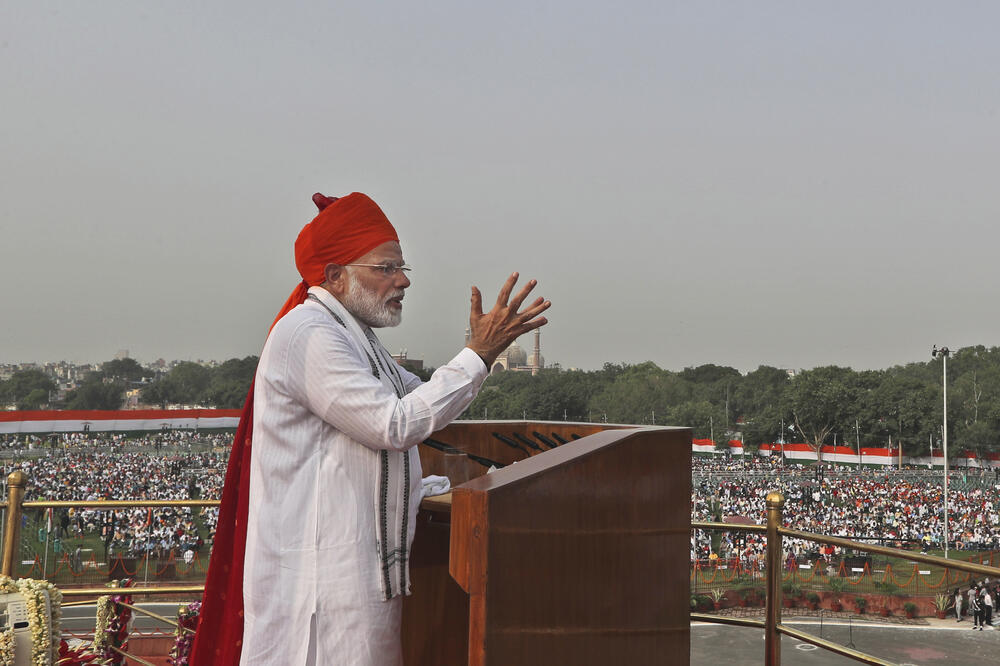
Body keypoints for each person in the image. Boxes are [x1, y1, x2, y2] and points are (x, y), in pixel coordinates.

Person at [191, 192, 550, 666]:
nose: (402, 281)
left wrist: (473, 356)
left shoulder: (359, 339)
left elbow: (421, 400)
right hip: (318, 590)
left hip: (356, 581)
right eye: (385, 268)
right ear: (336, 276)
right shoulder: (309, 334)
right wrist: (479, 354)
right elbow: (396, 424)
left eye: (403, 268)